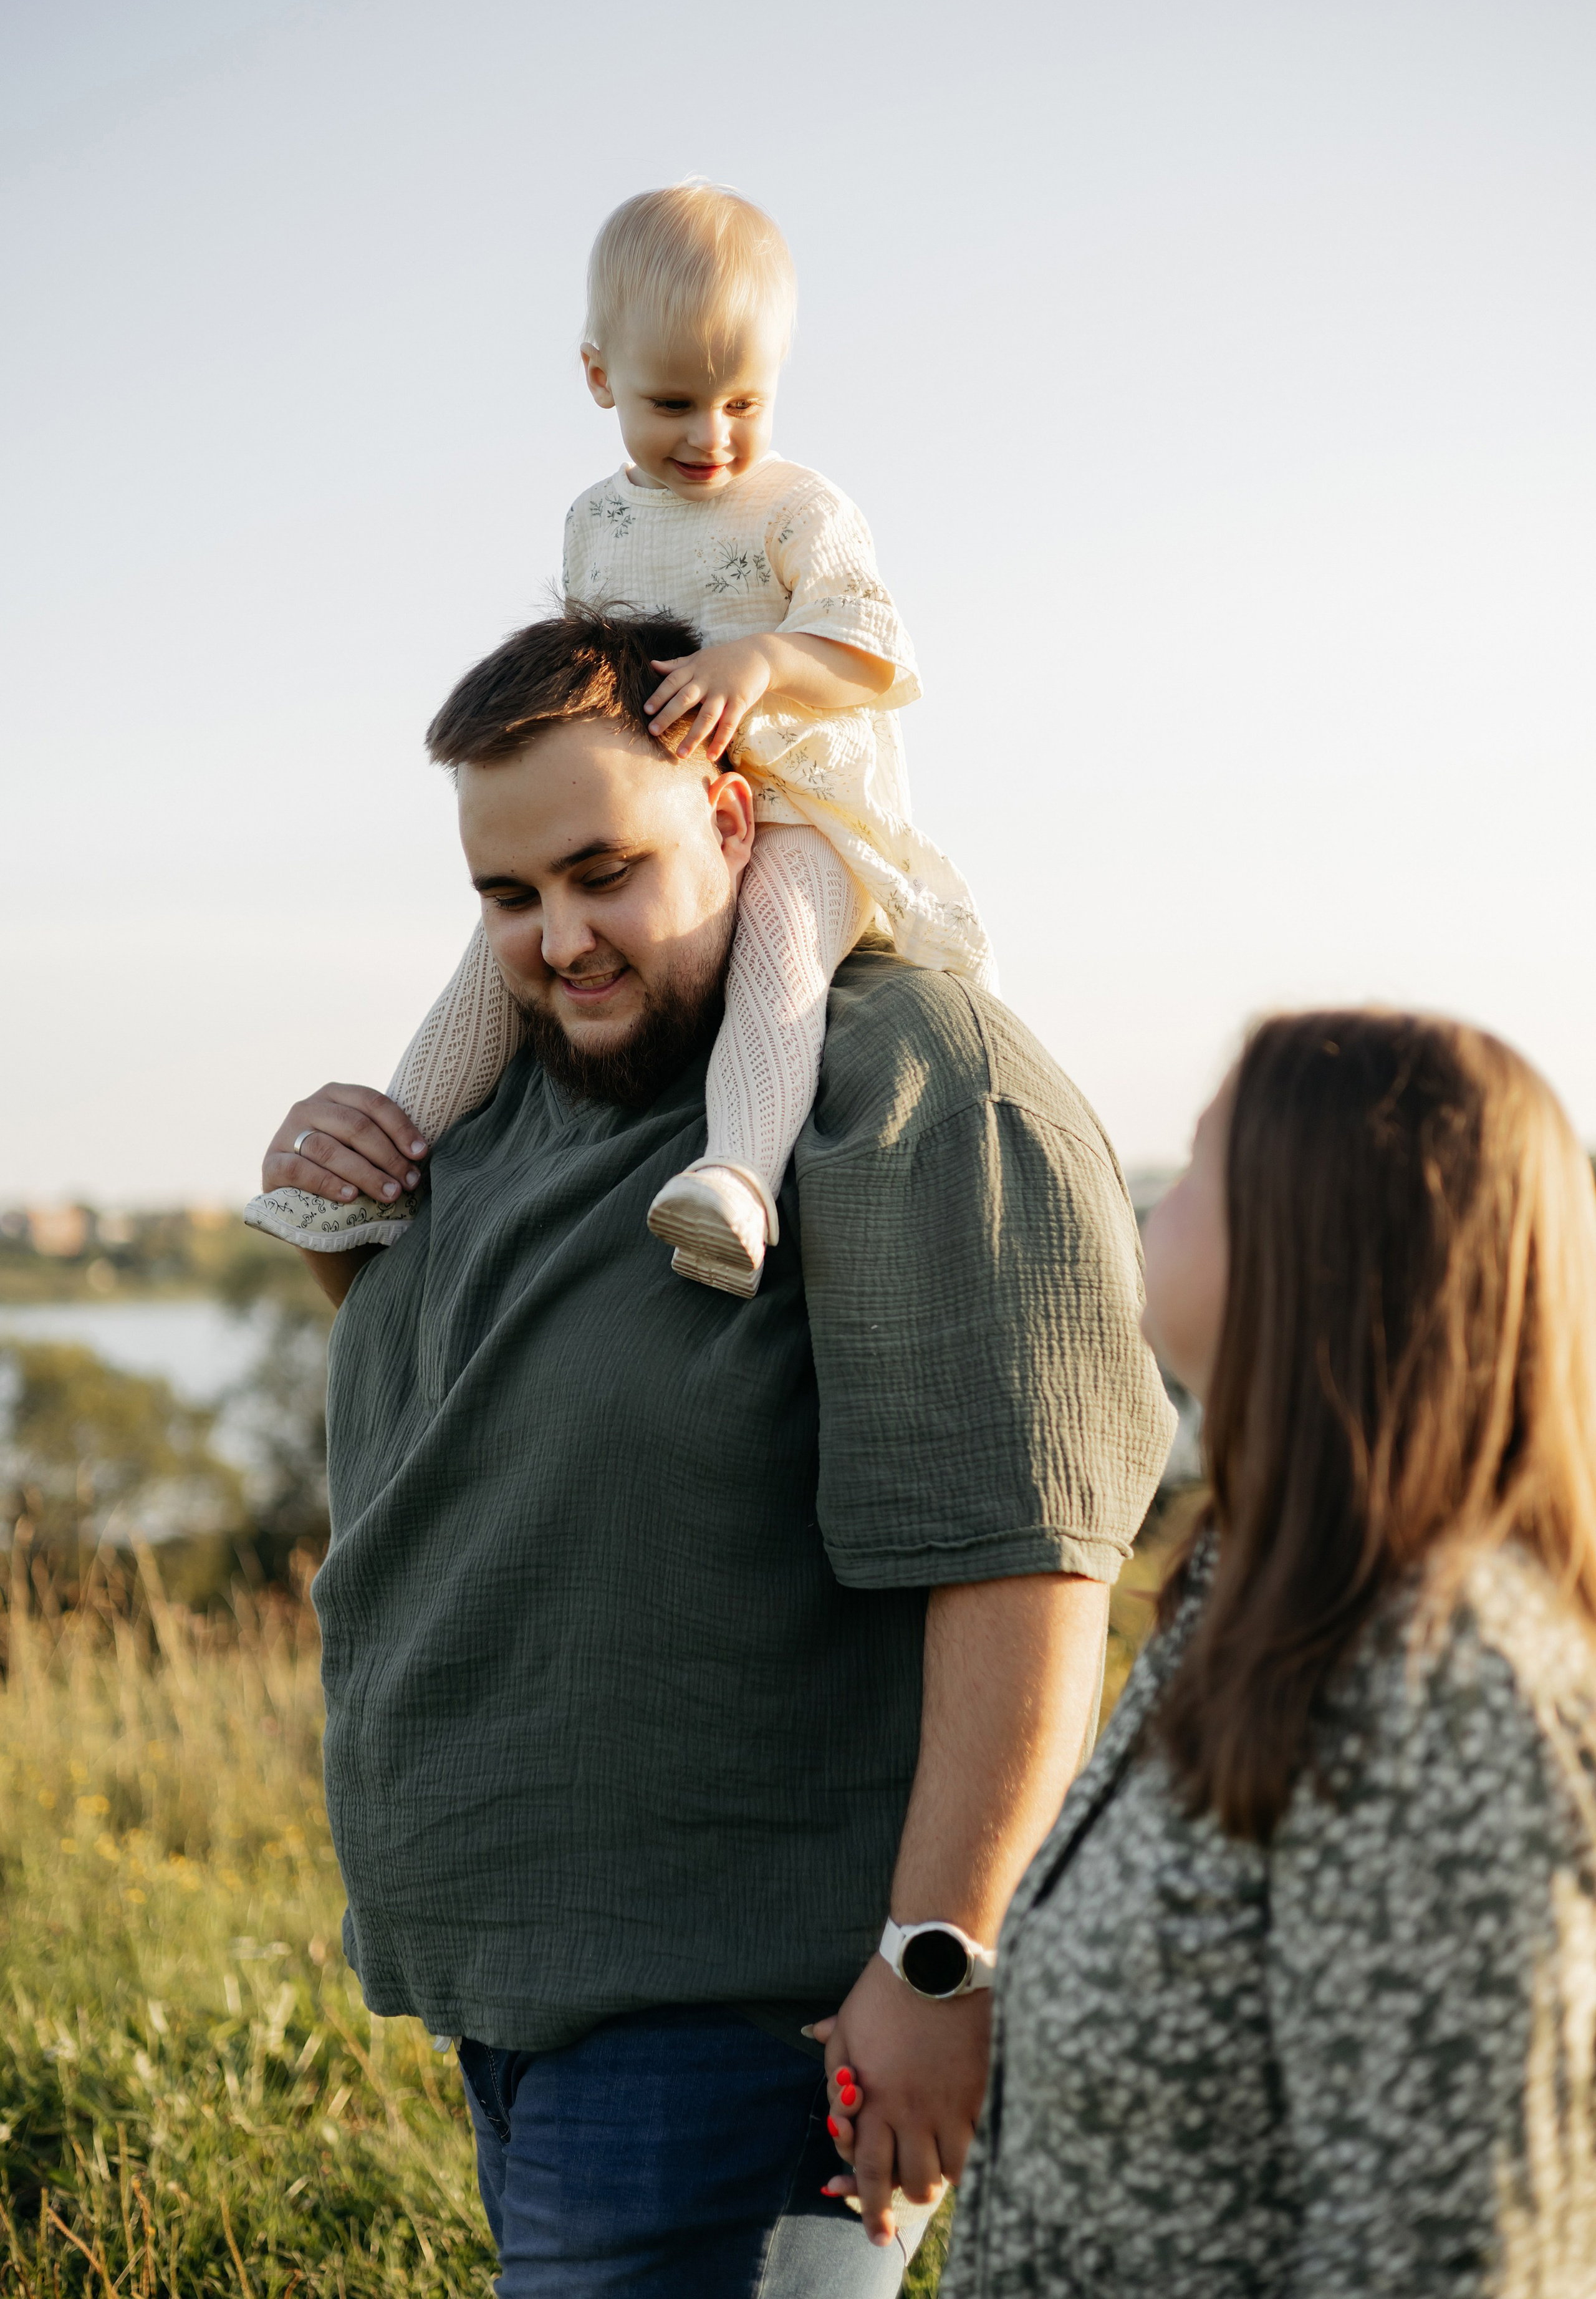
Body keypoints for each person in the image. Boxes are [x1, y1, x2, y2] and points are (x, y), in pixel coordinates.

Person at [259, 604, 1175, 2297]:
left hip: (755, 2022)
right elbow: (506, 1404)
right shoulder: (530, 1095)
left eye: (607, 871)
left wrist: (938, 1962)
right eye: (510, 897)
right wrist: (348, 1211)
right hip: (524, 1994)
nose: (559, 940)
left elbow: (1027, 1557)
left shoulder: (913, 1081)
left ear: (737, 817)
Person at [941, 1010, 1596, 2299]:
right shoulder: (1257, 1595)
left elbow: (1448, 2258)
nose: (1151, 1204)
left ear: (1311, 1240)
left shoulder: (1443, 1689)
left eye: (1195, 1168)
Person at [246, 181, 993, 1298]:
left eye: (746, 401)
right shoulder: (598, 519)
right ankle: (381, 1172)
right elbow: (588, 671)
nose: (713, 436)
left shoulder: (799, 510)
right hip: (668, 796)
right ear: (599, 378)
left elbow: (877, 657)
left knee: (781, 960)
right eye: (676, 401)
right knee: (485, 976)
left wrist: (766, 660)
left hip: (794, 803)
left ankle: (734, 1174)